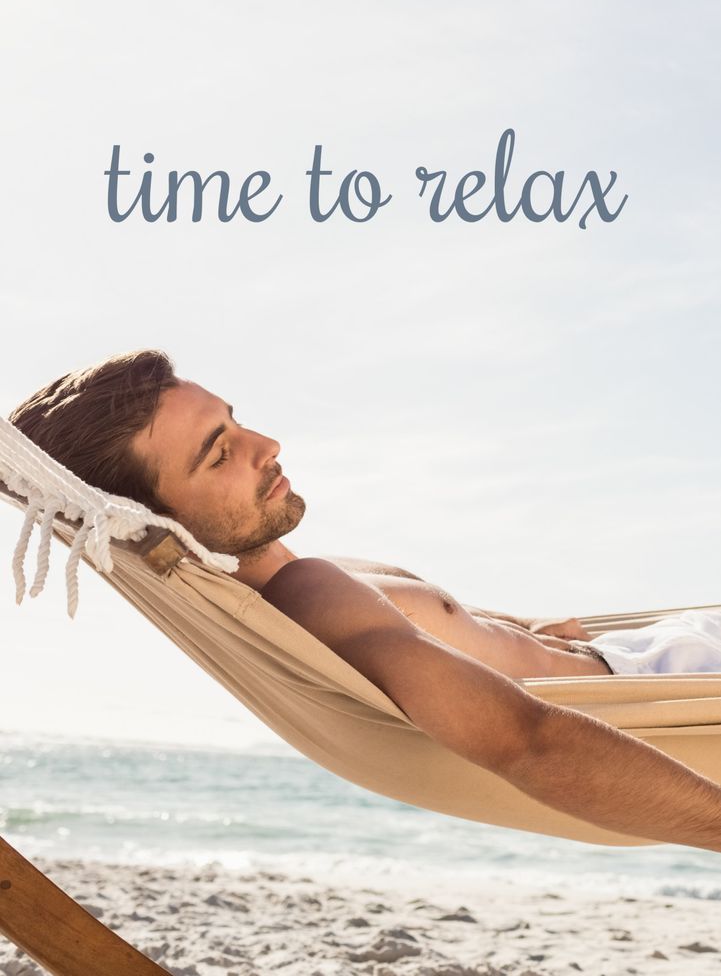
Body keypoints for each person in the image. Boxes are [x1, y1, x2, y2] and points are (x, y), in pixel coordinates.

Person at [9, 349, 721, 851]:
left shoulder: (324, 575)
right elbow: (523, 741)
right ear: (152, 520)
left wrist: (534, 633)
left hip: (653, 659)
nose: (267, 444)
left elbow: (461, 634)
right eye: (219, 453)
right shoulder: (308, 597)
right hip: (668, 697)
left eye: (236, 420)